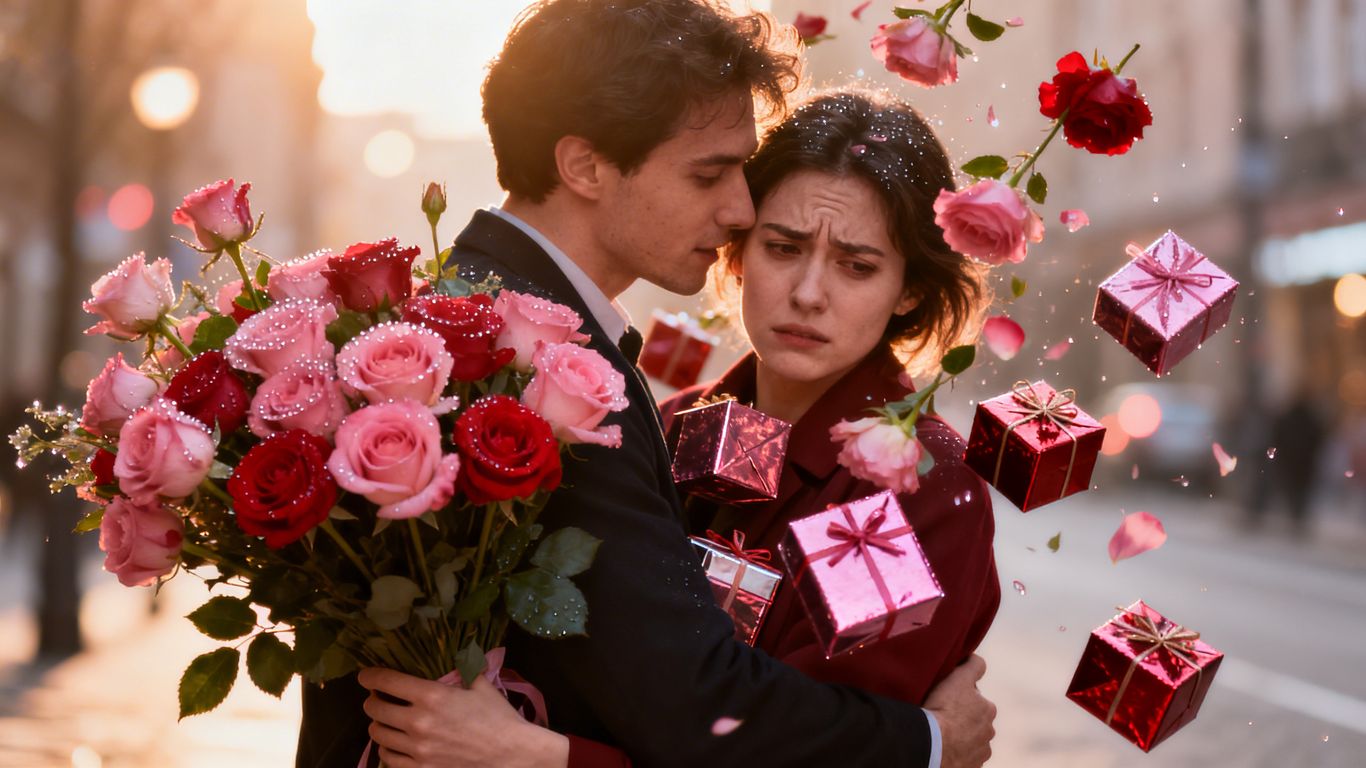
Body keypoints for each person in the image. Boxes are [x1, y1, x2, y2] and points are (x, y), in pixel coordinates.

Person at [311, 2, 997, 767]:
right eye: (780, 245)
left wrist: (544, 758)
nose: (809, 293)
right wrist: (929, 746)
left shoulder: (907, 489)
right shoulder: (654, 414)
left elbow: (751, 730)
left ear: (910, 288)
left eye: (857, 266)